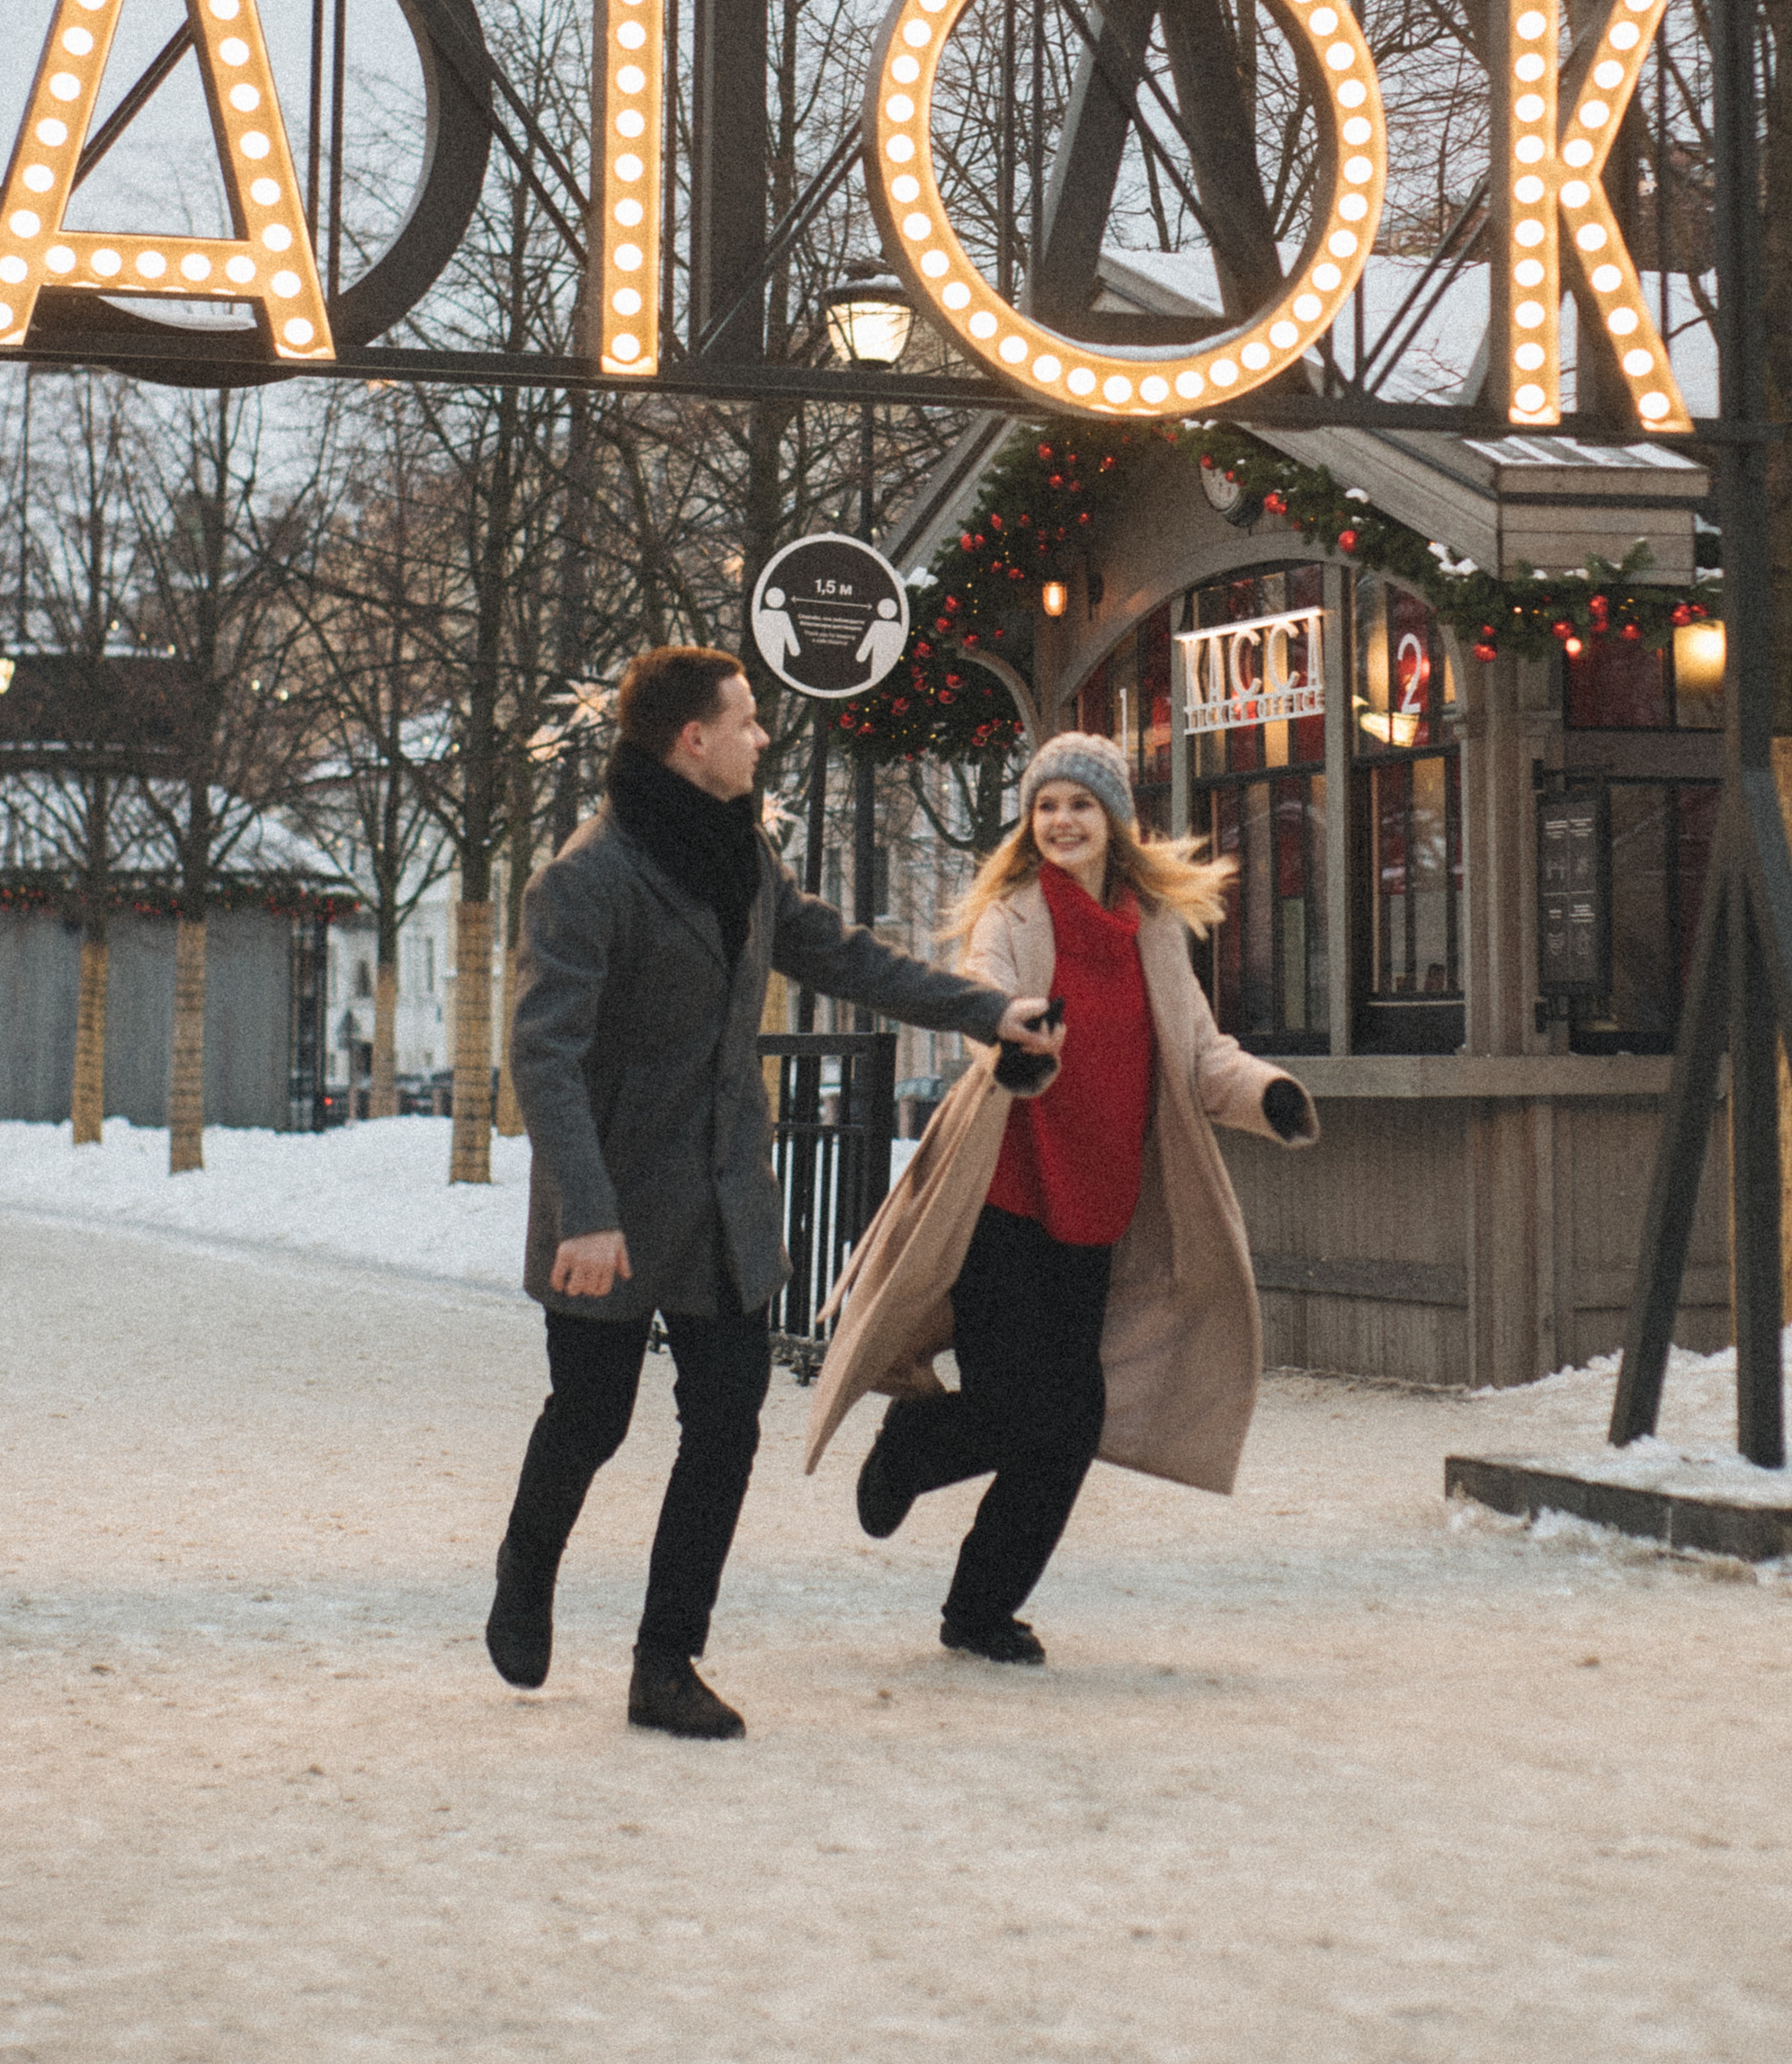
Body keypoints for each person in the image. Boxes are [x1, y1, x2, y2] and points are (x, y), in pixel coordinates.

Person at [489, 644, 1057, 1739]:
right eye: (746, 721)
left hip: (722, 1207)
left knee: (724, 1428)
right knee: (592, 1417)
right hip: (608, 1210)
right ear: (690, 739)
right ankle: (527, 1561)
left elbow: (840, 955)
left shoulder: (741, 856)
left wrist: (985, 1013)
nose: (762, 737)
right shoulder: (585, 877)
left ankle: (666, 1664)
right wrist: (589, 1213)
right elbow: (544, 1058)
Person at [804, 729, 1319, 1666]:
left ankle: (974, 1595)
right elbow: (983, 1000)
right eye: (1046, 806)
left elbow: (1201, 1056)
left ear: (1115, 821)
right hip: (1006, 1194)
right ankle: (922, 1469)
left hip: (1097, 1209)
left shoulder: (1152, 930)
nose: (1061, 821)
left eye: (1079, 805)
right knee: (1026, 1410)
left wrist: (1267, 1094)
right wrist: (1013, 1042)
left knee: (1066, 1424)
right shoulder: (1013, 913)